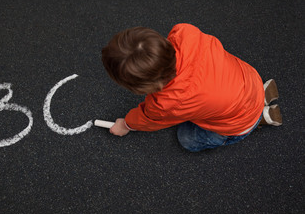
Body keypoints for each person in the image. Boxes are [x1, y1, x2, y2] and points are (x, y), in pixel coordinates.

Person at [101, 23, 282, 152]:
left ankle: (258, 120)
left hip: (239, 120)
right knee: (224, 96)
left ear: (145, 87)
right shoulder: (186, 33)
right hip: (247, 78)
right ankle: (262, 96)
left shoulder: (167, 104)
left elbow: (148, 119)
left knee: (187, 139)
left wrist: (126, 124)